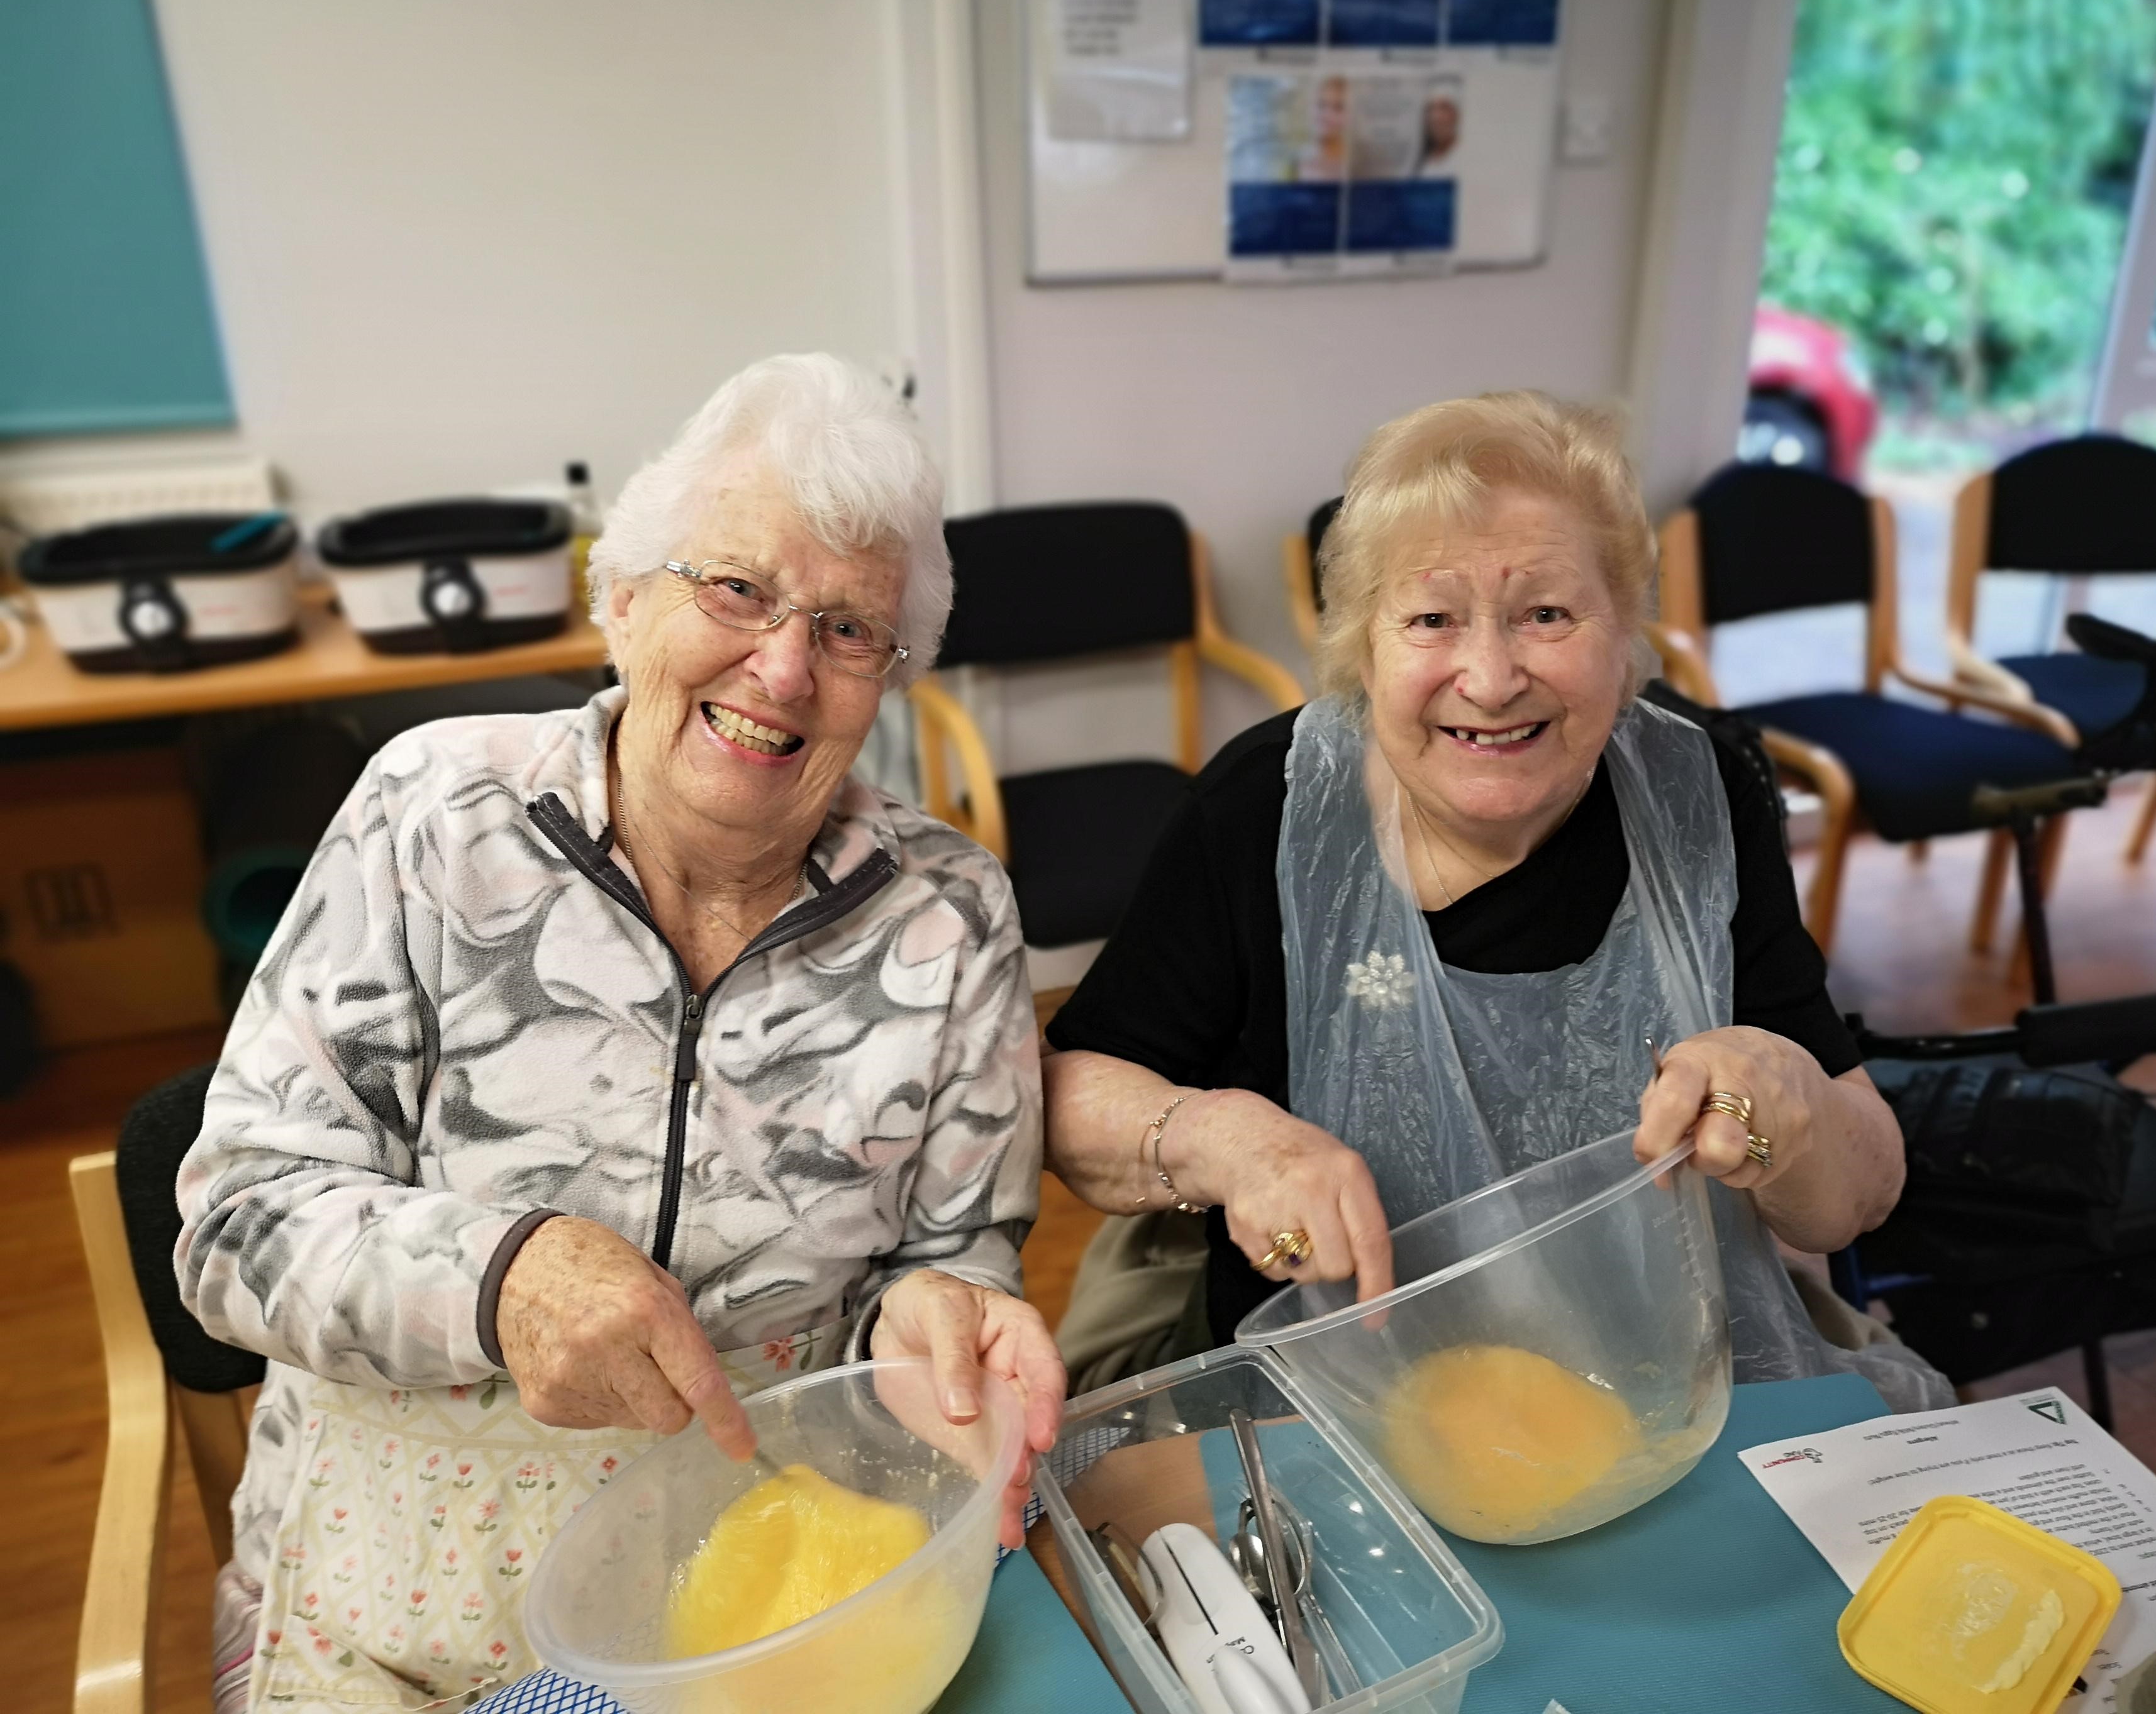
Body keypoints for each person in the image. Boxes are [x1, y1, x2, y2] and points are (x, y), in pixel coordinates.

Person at [178, 353, 1064, 1711]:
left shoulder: (948, 916)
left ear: (891, 674)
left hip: (762, 1593)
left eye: (848, 630)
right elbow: (235, 1222)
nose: (781, 667)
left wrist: (944, 1311)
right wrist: (505, 1273)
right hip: (409, 1604)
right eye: (737, 590)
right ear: (624, 600)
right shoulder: (433, 816)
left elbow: (954, 1251)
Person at [1042, 389, 1950, 1412]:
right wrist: (1220, 1137)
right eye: (1432, 619)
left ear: (1624, 633)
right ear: (1363, 647)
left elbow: (1858, 1196)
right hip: (1338, 1392)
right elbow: (1072, 1091)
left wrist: (1792, 1096)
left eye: (1546, 615)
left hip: (1672, 1373)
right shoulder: (1265, 810)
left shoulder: (1705, 793)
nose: (1490, 676)